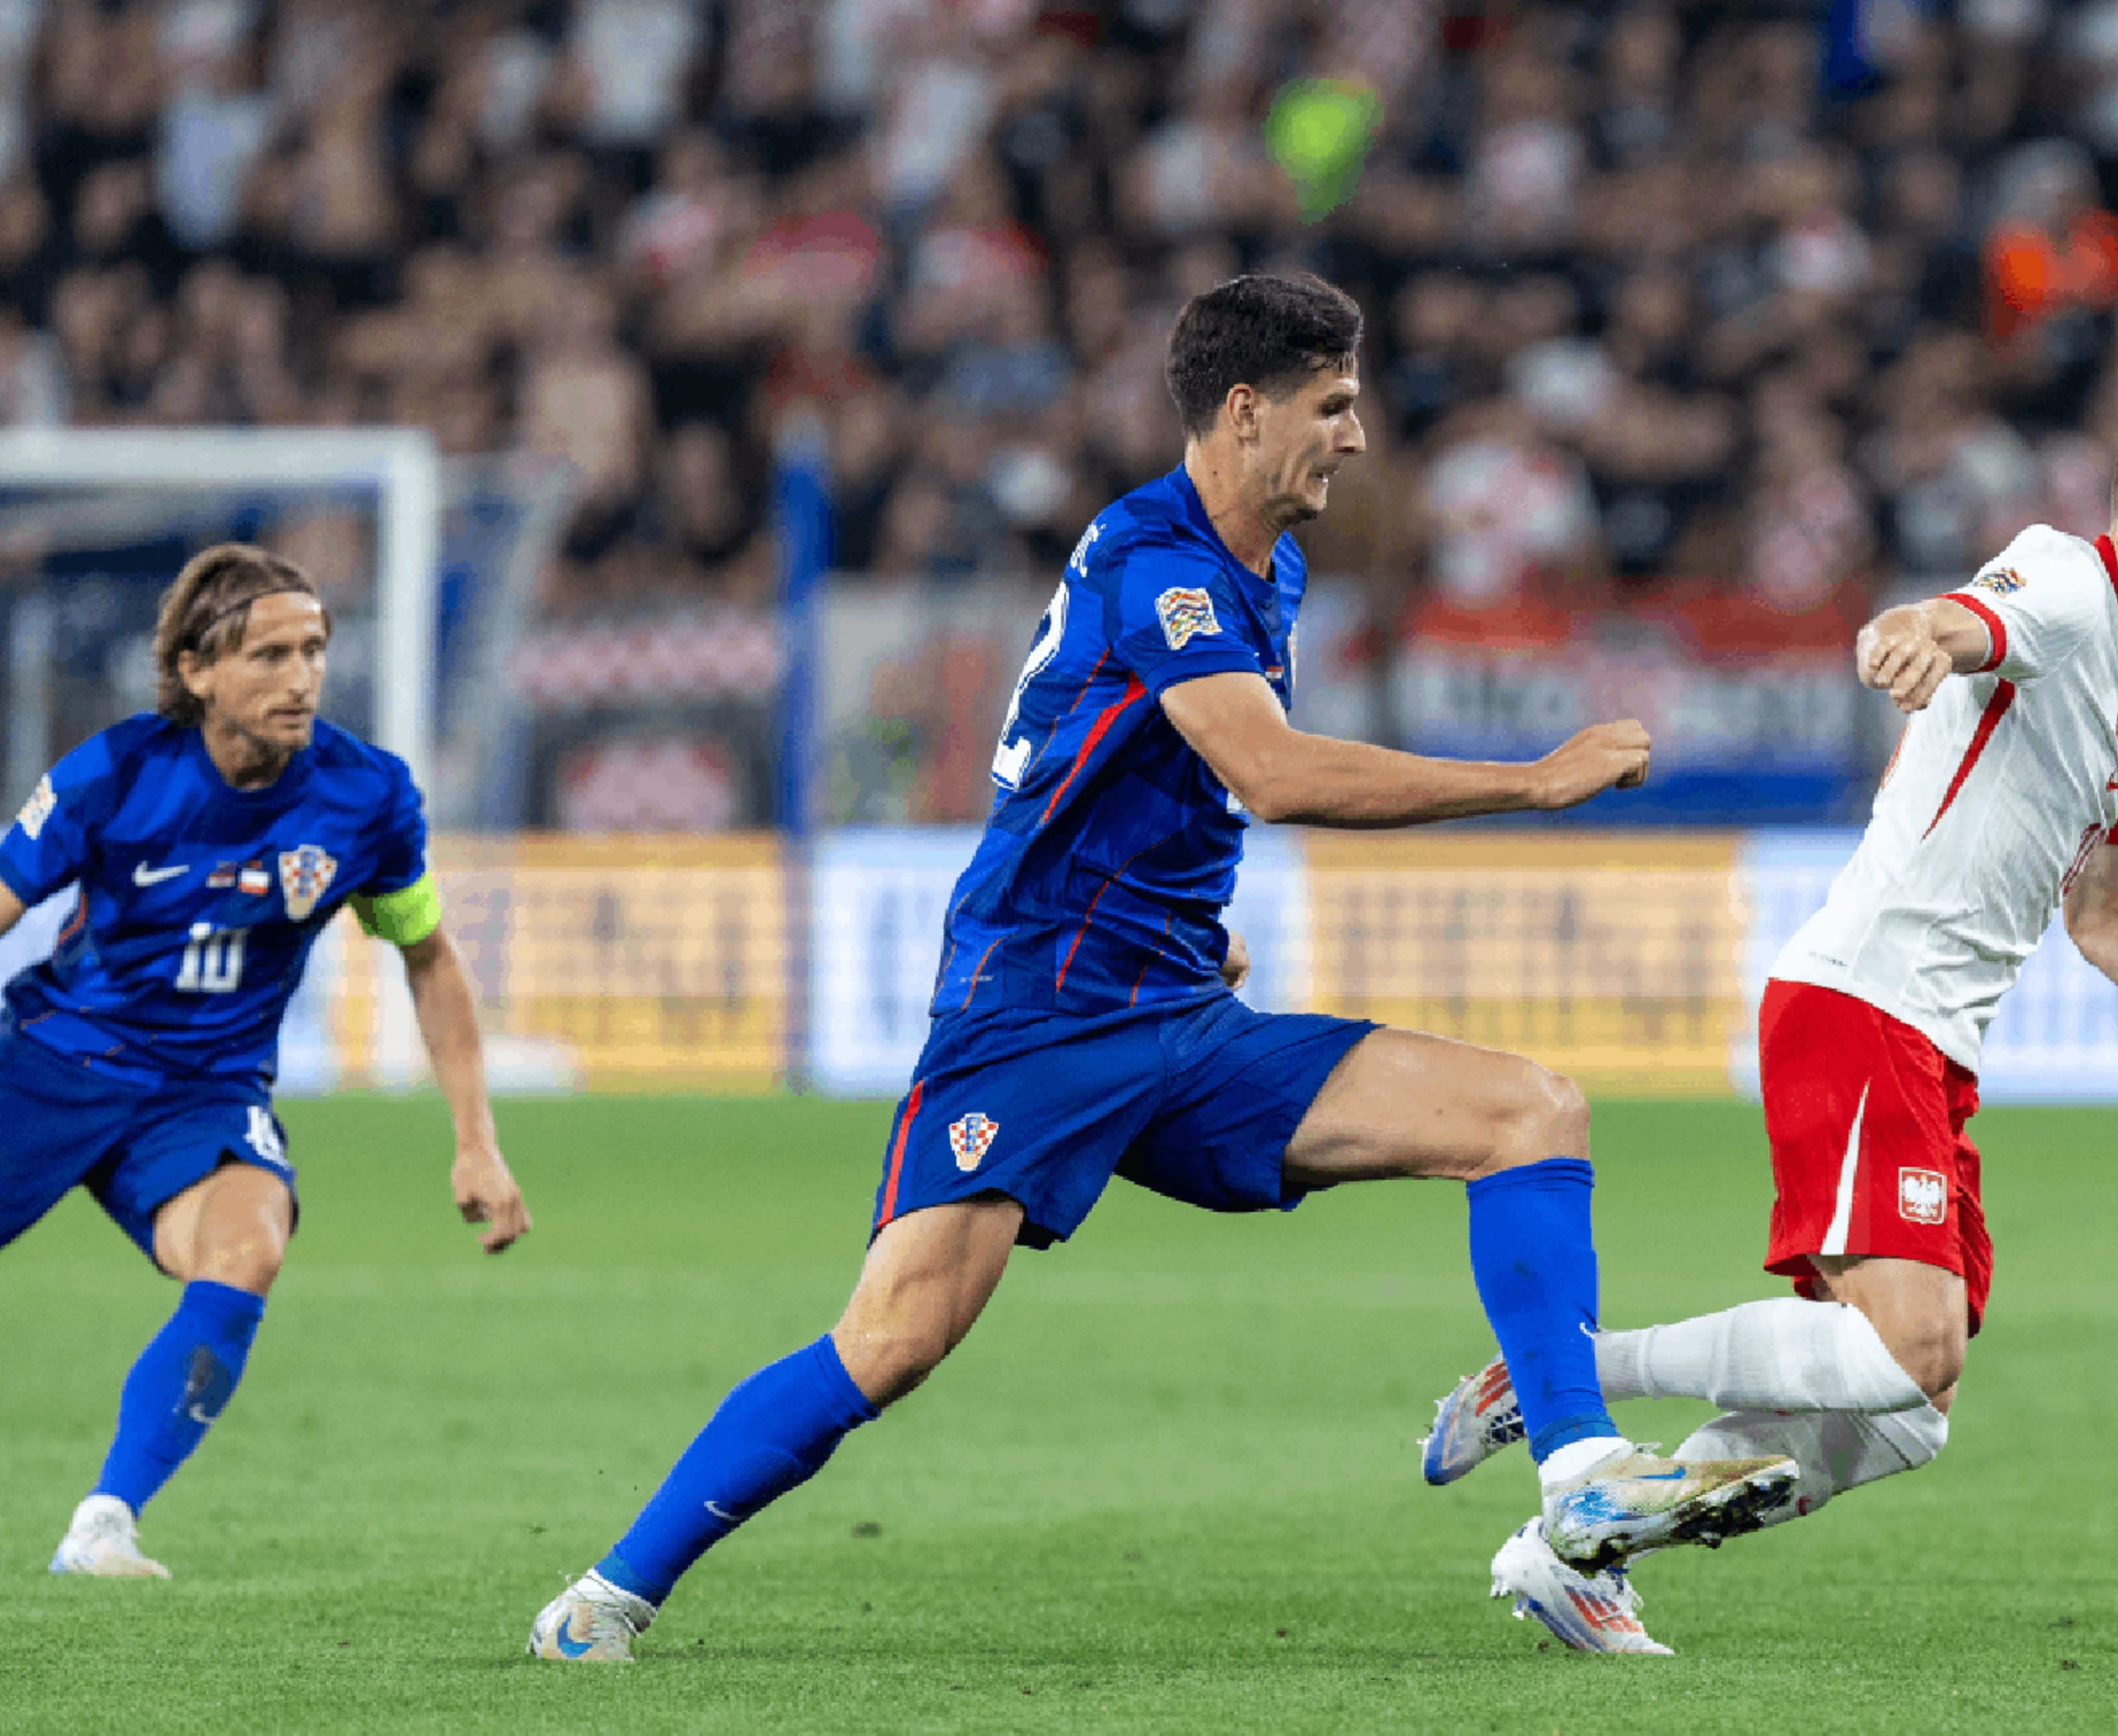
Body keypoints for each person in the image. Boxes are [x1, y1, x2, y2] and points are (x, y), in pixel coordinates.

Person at [526, 273, 1796, 1663]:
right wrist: (1533, 781)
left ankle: (1578, 1488)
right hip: (1038, 1015)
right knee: (891, 1341)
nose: (1358, 436)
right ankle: (603, 1601)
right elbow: (1273, 773)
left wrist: (1189, 916)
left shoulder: (1266, 567)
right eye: (1334, 406)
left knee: (1529, 1111)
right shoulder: (1162, 566)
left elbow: (1171, 777)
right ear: (1245, 412)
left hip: (1176, 1006)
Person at [1417, 391, 2118, 1652]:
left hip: (1935, 1048)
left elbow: (2110, 914)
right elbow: (1962, 620)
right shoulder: (2068, 583)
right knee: (1910, 1349)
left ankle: (1579, 1554)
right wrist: (1913, 634)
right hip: (1862, 1002)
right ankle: (1561, 1375)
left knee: (1904, 1416)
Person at [0, 544, 529, 1578]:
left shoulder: (365, 797)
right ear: (196, 670)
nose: (302, 678)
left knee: (248, 1248)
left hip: (205, 1092)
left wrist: (478, 1141)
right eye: (271, 655)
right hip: (55, 1062)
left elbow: (428, 958)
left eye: (314, 650)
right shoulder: (114, 774)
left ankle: (105, 1523)